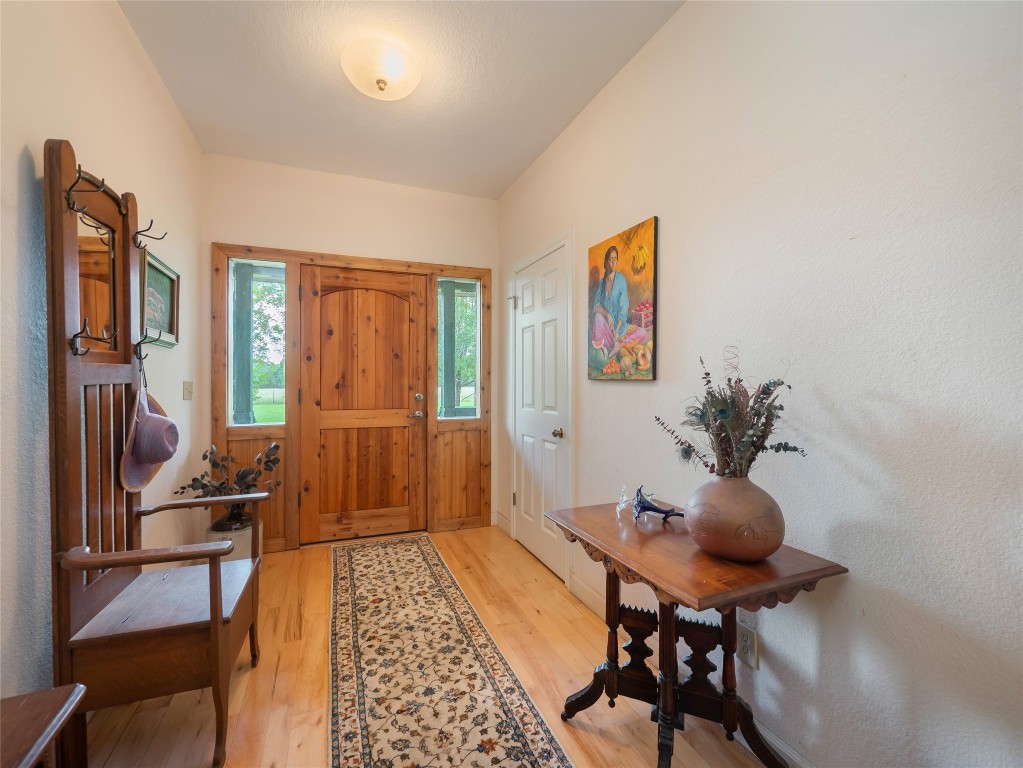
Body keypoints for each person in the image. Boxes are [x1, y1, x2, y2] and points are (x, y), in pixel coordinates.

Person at [591, 245, 647, 358]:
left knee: (643, 333)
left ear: (617, 260)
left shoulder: (621, 279)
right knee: (597, 317)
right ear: (606, 261)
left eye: (615, 258)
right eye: (610, 259)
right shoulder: (602, 283)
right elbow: (595, 305)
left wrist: (617, 331)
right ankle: (608, 348)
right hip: (607, 329)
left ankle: (619, 345)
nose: (613, 262)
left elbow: (624, 307)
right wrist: (606, 314)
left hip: (621, 329)